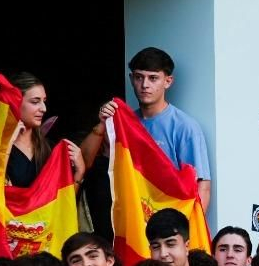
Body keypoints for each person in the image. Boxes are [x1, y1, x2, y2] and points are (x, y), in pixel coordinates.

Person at [83, 48, 212, 213]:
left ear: (168, 81)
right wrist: (101, 124)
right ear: (131, 79)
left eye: (153, 78)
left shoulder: (184, 126)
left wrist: (188, 231)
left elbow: (202, 186)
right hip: (131, 220)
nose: (145, 85)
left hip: (166, 224)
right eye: (139, 77)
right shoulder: (124, 123)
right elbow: (85, 163)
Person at [0, 73, 85, 189]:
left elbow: (60, 204)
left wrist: (79, 172)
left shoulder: (48, 149)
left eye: (44, 101)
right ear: (15, 102)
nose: (44, 109)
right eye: (35, 102)